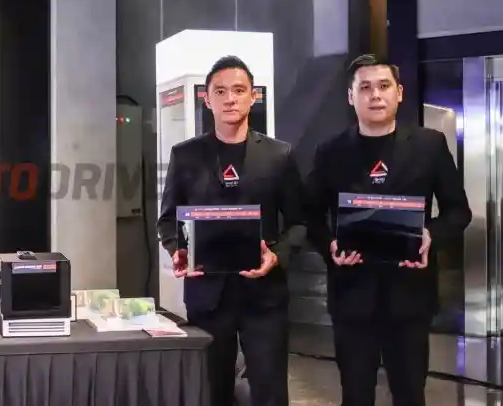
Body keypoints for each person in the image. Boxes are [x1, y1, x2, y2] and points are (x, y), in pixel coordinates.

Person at [303, 54, 471, 406]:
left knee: (410, 395)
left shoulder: (429, 145)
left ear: (400, 92)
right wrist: (329, 245)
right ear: (351, 96)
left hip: (410, 295)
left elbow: (459, 211)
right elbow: (310, 214)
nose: (375, 95)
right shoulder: (331, 151)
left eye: (383, 86)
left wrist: (431, 236)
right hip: (352, 296)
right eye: (365, 87)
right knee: (356, 396)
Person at [157, 55, 306, 406]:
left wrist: (277, 256)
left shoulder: (279, 155)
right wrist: (178, 249)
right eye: (220, 91)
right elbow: (167, 220)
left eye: (239, 90)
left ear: (253, 96)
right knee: (212, 391)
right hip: (207, 295)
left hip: (265, 296)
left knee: (270, 392)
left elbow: (300, 223)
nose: (230, 99)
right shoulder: (186, 155)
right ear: (206, 99)